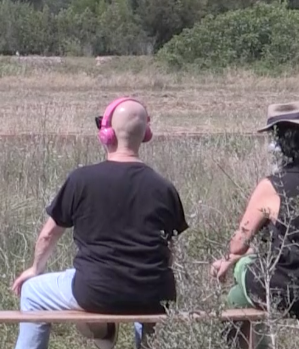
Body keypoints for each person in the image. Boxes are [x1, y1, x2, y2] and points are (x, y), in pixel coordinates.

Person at [10, 97, 188, 349]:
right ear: (145, 134)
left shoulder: (81, 179)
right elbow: (169, 250)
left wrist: (35, 268)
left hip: (96, 290)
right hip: (155, 294)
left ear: (107, 134)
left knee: (31, 293)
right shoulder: (165, 187)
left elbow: (49, 234)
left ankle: (103, 336)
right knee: (148, 305)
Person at [210, 101, 299, 348]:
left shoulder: (271, 186)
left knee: (241, 272)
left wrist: (230, 260)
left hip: (288, 291)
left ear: (277, 144)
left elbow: (238, 245)